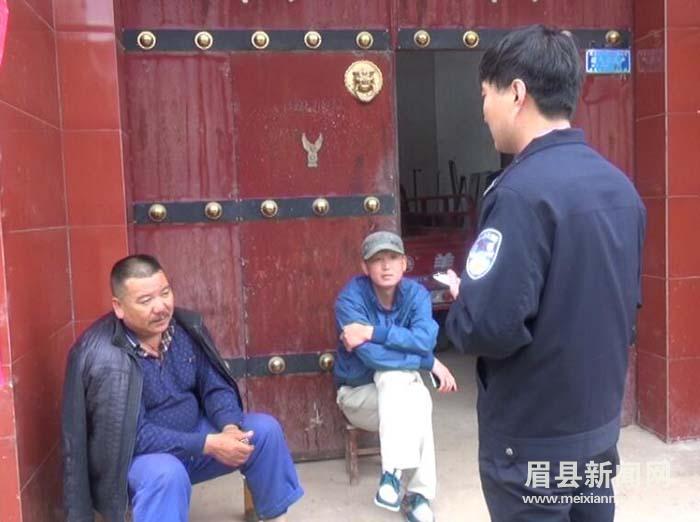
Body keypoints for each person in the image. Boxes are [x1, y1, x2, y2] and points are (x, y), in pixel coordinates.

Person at [444, 25, 646, 522]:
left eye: (485, 94)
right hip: (596, 433)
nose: (483, 110)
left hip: (531, 444)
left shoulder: (519, 193)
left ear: (516, 93)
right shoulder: (620, 188)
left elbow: (489, 328)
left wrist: (468, 298)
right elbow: (622, 305)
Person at [62, 255, 303, 522]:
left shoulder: (184, 329)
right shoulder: (104, 356)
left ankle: (273, 517)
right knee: (167, 475)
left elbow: (215, 386)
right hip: (138, 461)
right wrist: (207, 444)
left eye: (165, 293)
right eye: (145, 300)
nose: (160, 307)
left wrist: (229, 428)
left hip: (195, 442)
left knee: (264, 431)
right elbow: (133, 436)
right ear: (119, 307)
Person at [334, 230, 457, 522]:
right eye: (377, 260)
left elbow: (425, 339)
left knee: (418, 397)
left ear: (404, 263)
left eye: (392, 258)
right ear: (365, 267)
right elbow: (373, 358)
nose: (386, 266)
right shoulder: (350, 299)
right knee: (399, 380)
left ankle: (393, 477)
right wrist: (427, 362)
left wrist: (372, 332)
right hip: (359, 397)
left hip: (396, 402)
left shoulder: (416, 295)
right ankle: (417, 496)